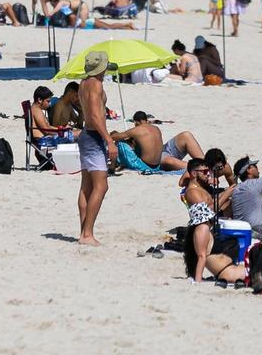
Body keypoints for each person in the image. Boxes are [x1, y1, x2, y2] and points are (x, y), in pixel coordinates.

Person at [182, 159, 246, 284]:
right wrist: (227, 193)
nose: (208, 174)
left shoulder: (202, 189)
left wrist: (225, 193)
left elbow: (212, 205)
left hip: (209, 229)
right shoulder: (192, 192)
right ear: (194, 174)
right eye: (205, 172)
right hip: (204, 227)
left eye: (209, 172)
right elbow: (209, 210)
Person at [78, 51, 118, 246]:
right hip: (94, 137)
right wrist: (109, 140)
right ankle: (87, 234)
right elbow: (94, 116)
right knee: (101, 186)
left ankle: (83, 231)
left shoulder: (83, 83)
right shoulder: (96, 85)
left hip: (86, 135)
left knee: (86, 187)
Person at [112, 111, 205, 170]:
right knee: (186, 135)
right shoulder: (156, 128)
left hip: (156, 162)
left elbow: (116, 137)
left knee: (169, 160)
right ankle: (205, 163)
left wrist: (113, 134)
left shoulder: (136, 130)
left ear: (136, 122)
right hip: (163, 153)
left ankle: (200, 167)